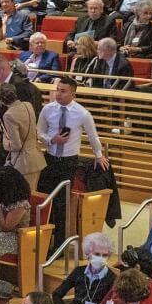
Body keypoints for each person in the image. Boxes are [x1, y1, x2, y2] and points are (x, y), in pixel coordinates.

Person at [37, 76, 108, 241]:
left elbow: (93, 136)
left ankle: (60, 241)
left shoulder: (82, 113)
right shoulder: (48, 109)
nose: (58, 94)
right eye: (57, 90)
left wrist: (99, 156)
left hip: (68, 162)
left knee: (62, 202)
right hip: (49, 159)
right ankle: (45, 237)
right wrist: (51, 139)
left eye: (63, 91)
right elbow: (39, 132)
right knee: (44, 198)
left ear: (73, 94)